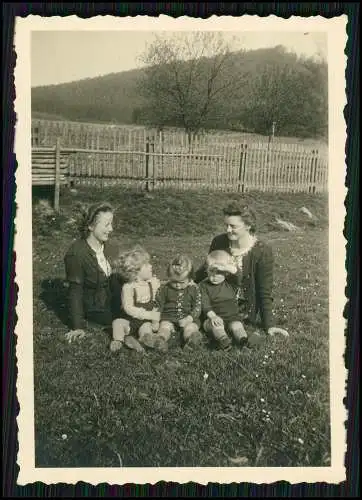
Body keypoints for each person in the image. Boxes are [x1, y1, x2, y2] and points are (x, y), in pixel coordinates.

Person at [195, 201, 289, 340]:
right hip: (216, 304)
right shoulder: (219, 242)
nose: (227, 230)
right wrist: (181, 280)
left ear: (248, 225)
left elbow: (264, 290)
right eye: (226, 225)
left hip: (243, 311)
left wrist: (269, 325)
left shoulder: (262, 251)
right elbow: (205, 271)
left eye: (233, 226)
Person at [63, 202, 138, 350]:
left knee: (147, 304)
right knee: (132, 315)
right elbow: (75, 291)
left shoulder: (110, 248)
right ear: (91, 226)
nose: (111, 229)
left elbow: (120, 277)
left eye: (111, 224)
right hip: (96, 308)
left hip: (116, 300)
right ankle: (131, 334)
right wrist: (78, 326)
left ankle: (135, 331)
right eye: (106, 224)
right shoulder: (76, 254)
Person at [199, 250, 259, 351]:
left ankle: (244, 341)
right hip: (213, 318)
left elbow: (239, 275)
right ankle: (224, 341)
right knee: (217, 326)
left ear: (226, 273)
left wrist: (226, 267)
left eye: (219, 272)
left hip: (232, 317)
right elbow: (205, 305)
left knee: (237, 326)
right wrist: (213, 317)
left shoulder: (231, 284)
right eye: (211, 271)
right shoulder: (204, 286)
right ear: (206, 269)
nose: (214, 276)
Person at [110, 245, 161, 352]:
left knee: (146, 329)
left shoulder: (153, 283)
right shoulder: (128, 287)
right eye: (146, 265)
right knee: (117, 323)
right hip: (130, 320)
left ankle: (142, 341)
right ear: (136, 271)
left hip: (145, 322)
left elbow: (161, 294)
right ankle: (118, 341)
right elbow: (128, 308)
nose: (151, 266)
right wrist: (147, 314)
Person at [154, 255, 203, 352]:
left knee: (190, 328)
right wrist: (155, 320)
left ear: (190, 278)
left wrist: (189, 318)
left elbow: (197, 307)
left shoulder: (194, 289)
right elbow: (158, 305)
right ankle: (161, 340)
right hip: (169, 317)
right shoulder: (164, 288)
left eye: (182, 282)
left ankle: (191, 341)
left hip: (188, 317)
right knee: (164, 326)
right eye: (174, 281)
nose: (177, 285)